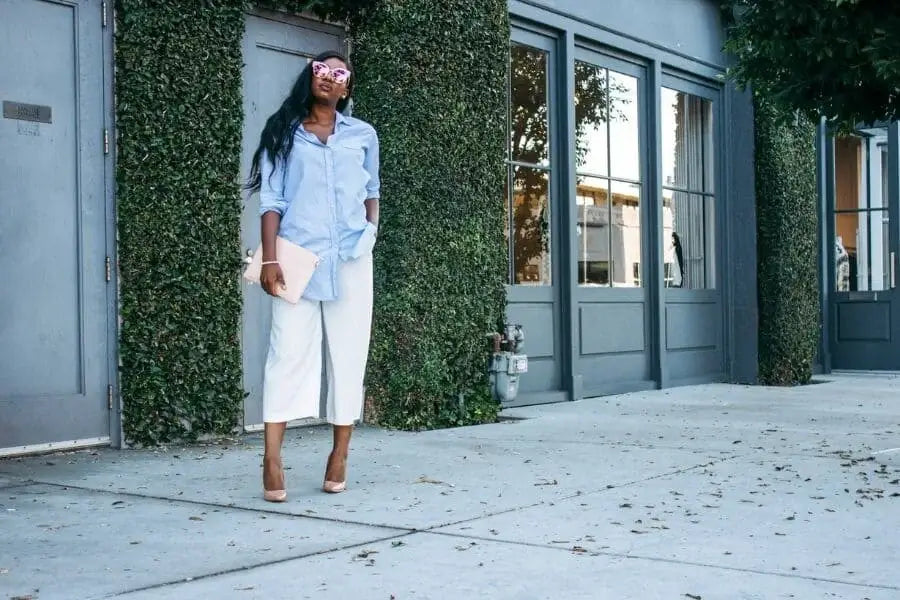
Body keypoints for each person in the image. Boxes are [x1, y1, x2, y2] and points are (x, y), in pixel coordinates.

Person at [246, 51, 380, 502]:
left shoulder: (363, 135)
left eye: (339, 74)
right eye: (322, 70)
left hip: (351, 259)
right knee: (286, 354)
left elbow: (372, 190)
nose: (329, 78)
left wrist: (369, 233)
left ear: (347, 87)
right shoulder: (283, 133)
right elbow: (271, 202)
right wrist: (269, 260)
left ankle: (339, 455)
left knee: (348, 355)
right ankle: (271, 458)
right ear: (311, 76)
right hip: (296, 259)